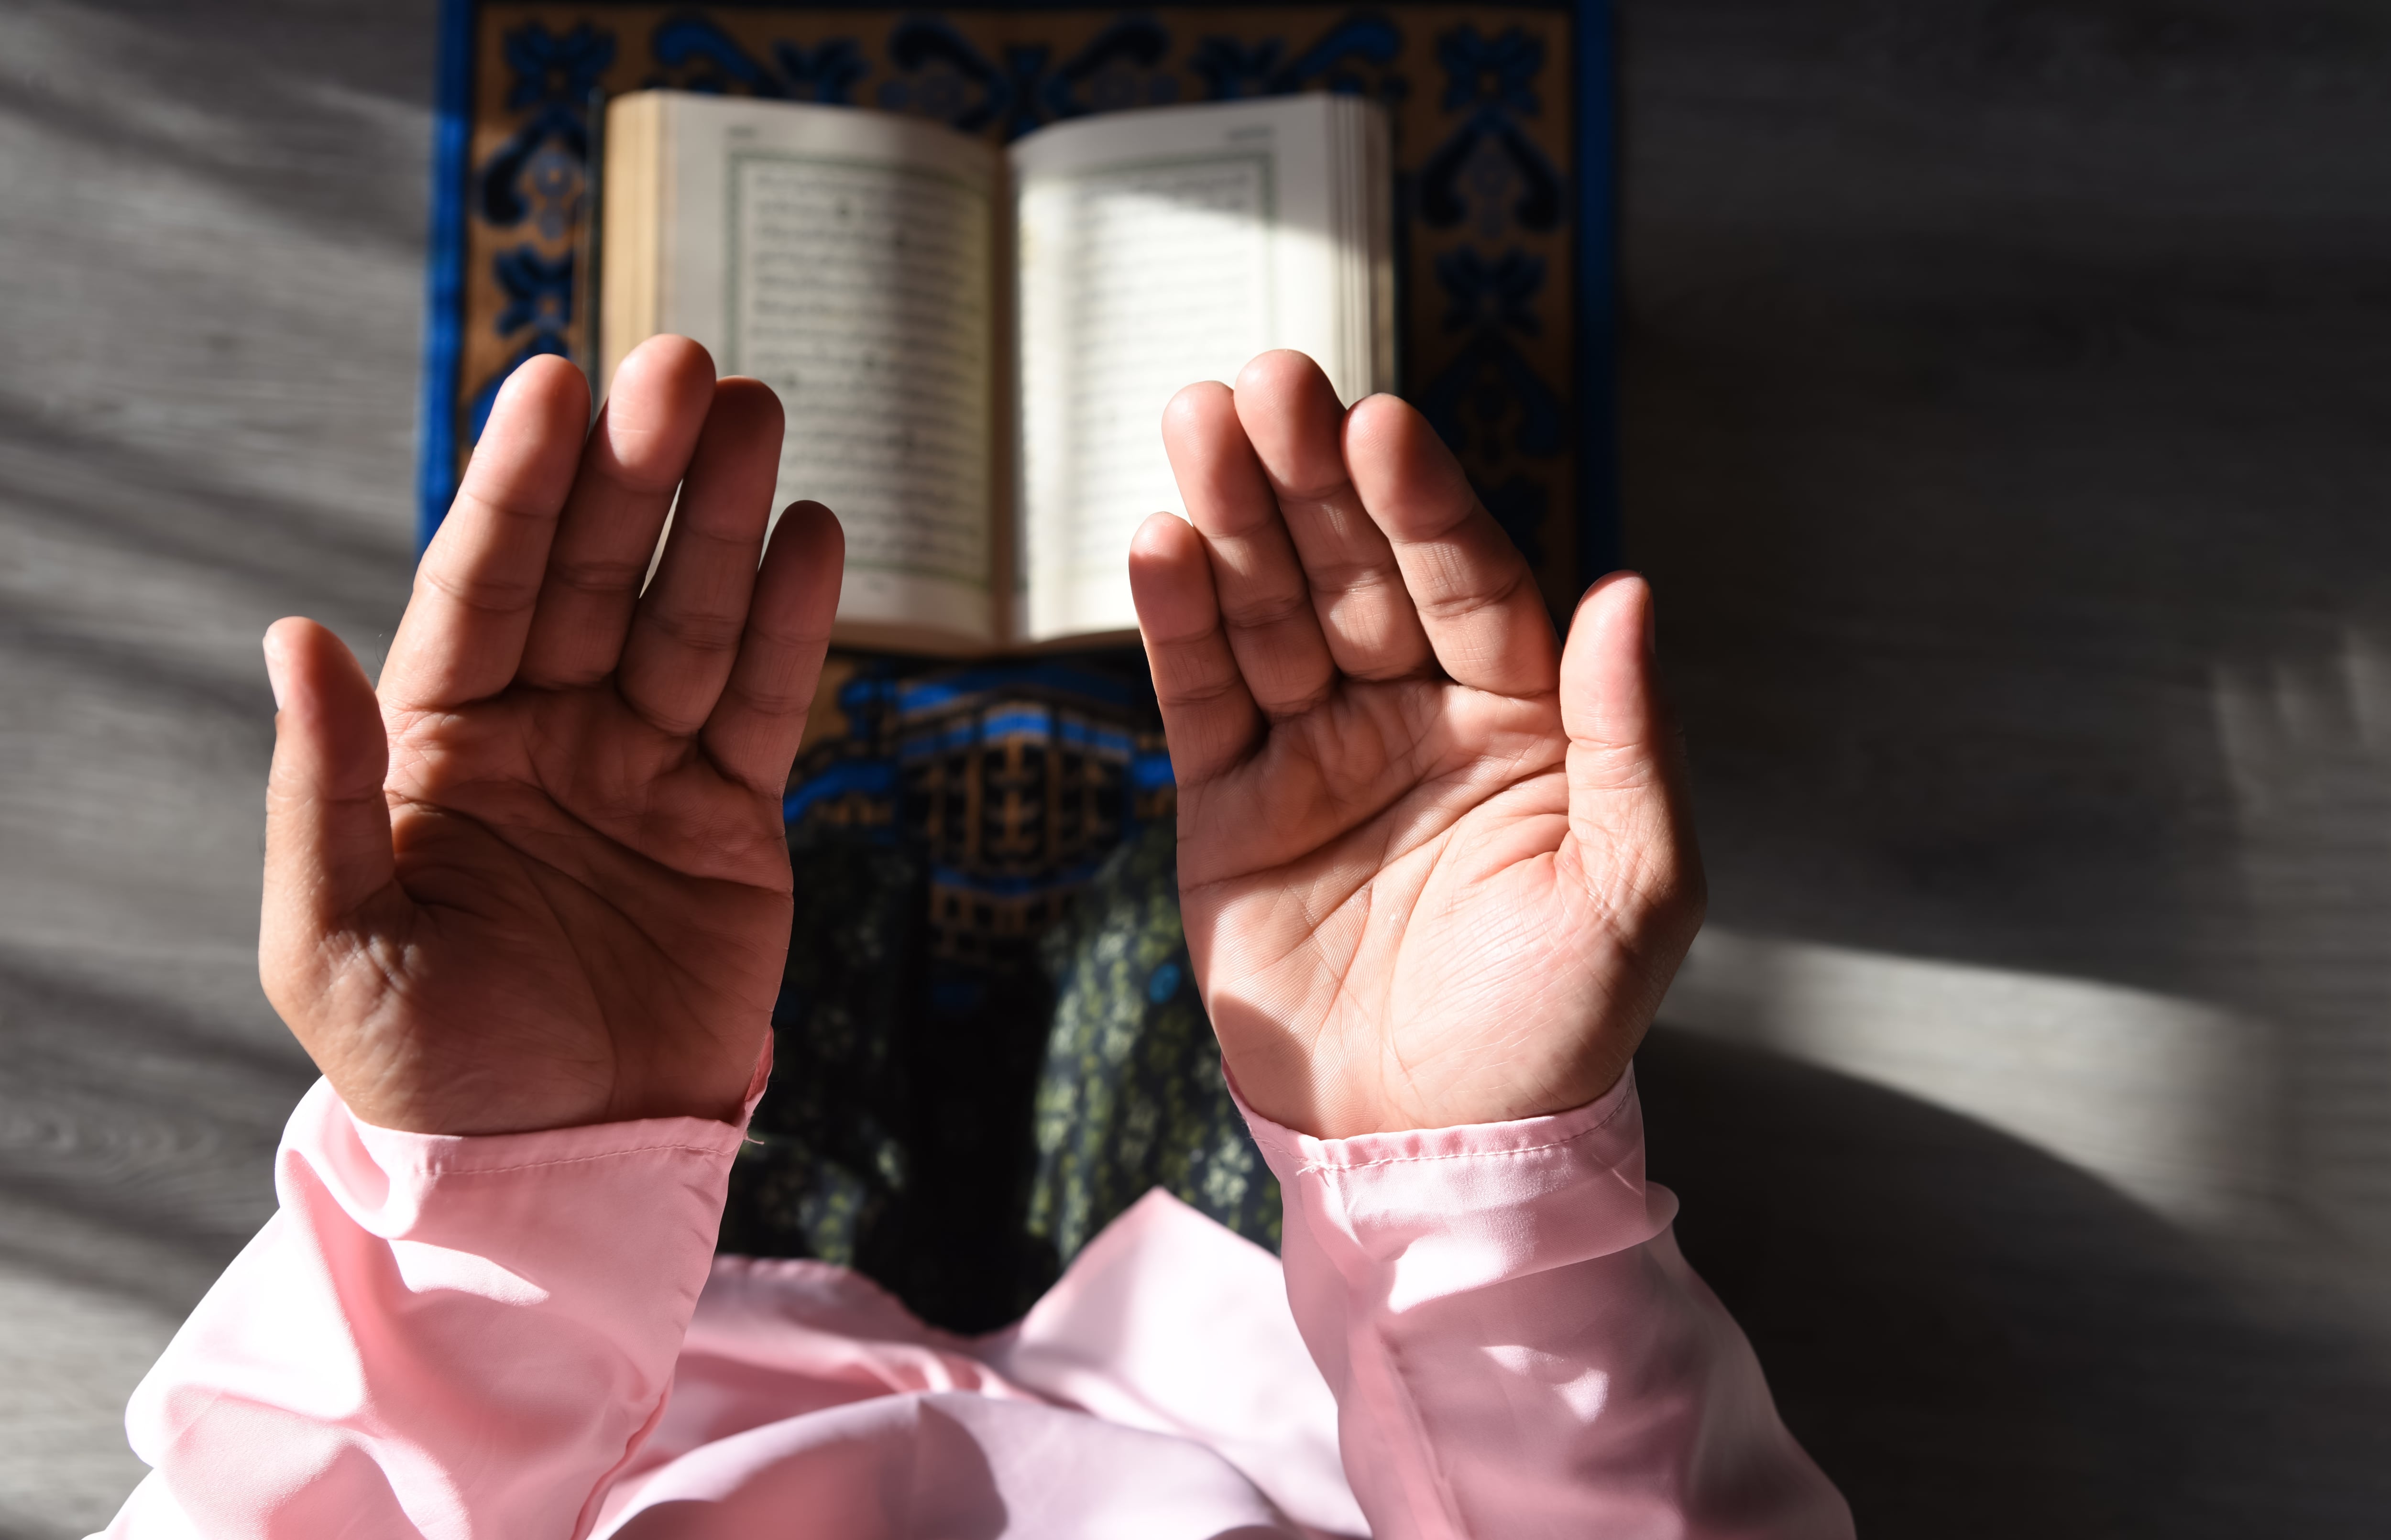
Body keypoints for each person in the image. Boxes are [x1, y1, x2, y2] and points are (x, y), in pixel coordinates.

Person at [95, 337, 1853, 1539]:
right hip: (1310, 1408)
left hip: (634, 1370)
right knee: (1204, 823)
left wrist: (490, 1201)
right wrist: (1470, 1182)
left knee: (788, 822)